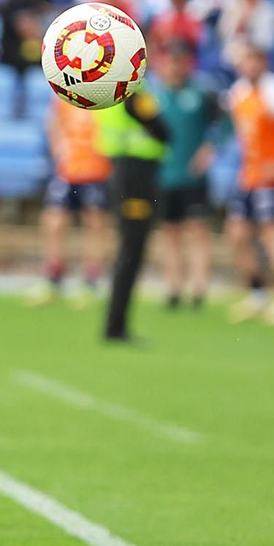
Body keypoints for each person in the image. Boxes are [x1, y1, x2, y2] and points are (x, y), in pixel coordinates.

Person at [223, 46, 274, 325]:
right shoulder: (238, 93)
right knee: (236, 234)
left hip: (272, 179)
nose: (249, 65)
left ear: (263, 62)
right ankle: (256, 293)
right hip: (249, 176)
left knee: (273, 233)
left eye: (254, 59)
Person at [97, 58, 172, 343]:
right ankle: (115, 325)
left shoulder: (105, 89)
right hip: (135, 175)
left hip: (126, 172)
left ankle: (116, 323)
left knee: (131, 250)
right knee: (132, 249)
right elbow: (163, 131)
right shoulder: (129, 91)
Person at [152, 41, 220, 309]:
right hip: (163, 175)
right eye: (171, 60)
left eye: (180, 61)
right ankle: (173, 287)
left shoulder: (202, 92)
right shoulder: (152, 95)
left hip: (193, 177)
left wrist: (209, 149)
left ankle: (199, 288)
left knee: (198, 229)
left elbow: (221, 124)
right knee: (169, 231)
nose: (175, 66)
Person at [27, 100, 111, 307]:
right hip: (68, 169)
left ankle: (91, 280)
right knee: (53, 221)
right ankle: (53, 277)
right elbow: (53, 120)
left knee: (95, 223)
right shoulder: (65, 93)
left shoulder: (108, 94)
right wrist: (58, 147)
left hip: (97, 170)